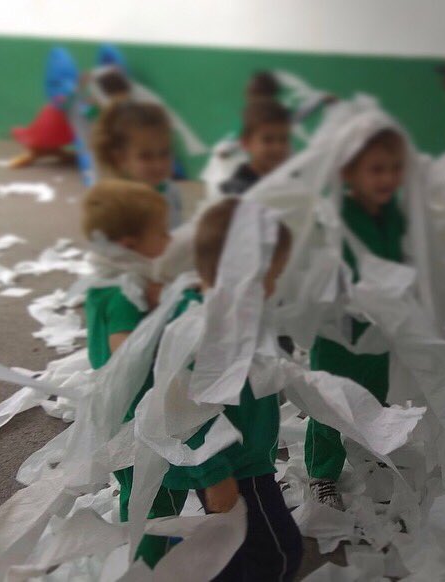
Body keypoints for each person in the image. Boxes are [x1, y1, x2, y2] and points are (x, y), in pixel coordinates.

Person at [162, 198, 303, 581]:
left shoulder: (224, 314)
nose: (274, 287)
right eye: (268, 279)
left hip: (242, 458)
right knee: (279, 554)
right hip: (237, 468)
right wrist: (215, 475)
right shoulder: (207, 332)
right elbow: (185, 412)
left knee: (232, 543)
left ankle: (197, 558)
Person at [305, 128, 408, 510]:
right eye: (376, 169)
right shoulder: (336, 218)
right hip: (337, 330)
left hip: (379, 327)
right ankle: (323, 472)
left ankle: (366, 453)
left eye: (394, 169)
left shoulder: (393, 214)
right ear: (349, 174)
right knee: (331, 402)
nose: (387, 178)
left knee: (373, 393)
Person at [81, 179, 181, 567]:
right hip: (136, 417)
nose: (170, 238)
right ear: (129, 246)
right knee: (153, 492)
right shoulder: (125, 293)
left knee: (137, 488)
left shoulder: (106, 282)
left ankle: (148, 548)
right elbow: (130, 351)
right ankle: (151, 562)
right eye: (161, 232)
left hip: (116, 407)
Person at [93, 101, 183, 228]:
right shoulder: (117, 206)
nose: (159, 165)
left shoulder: (171, 190)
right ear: (121, 159)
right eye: (146, 157)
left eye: (165, 153)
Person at [220, 99, 291, 196]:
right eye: (268, 140)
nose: (278, 148)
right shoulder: (234, 194)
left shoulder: (293, 184)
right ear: (246, 143)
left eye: (283, 139)